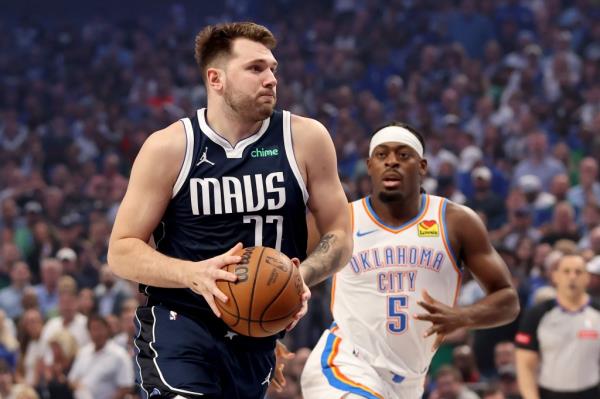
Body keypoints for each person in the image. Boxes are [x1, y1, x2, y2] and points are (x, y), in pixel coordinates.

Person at [107, 22, 352, 399]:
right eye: (255, 69)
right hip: (180, 323)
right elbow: (121, 250)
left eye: (273, 69)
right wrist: (194, 274)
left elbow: (339, 233)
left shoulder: (306, 139)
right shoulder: (170, 147)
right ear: (216, 78)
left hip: (255, 338)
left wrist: (302, 275)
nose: (271, 79)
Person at [301, 123, 519, 399]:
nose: (391, 161)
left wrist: (463, 316)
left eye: (403, 155)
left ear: (423, 166)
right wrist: (267, 328)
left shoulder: (455, 221)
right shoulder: (340, 219)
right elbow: (283, 270)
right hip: (344, 362)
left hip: (410, 383)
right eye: (382, 155)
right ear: (370, 166)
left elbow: (507, 298)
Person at [515, 254, 600, 399]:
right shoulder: (536, 315)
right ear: (555, 276)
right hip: (549, 393)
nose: (572, 277)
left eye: (578, 272)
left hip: (592, 392)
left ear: (587, 278)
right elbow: (525, 366)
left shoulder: (597, 312)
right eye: (566, 271)